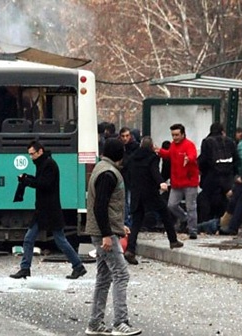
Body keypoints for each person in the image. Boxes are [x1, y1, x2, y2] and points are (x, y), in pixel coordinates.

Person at [84, 138, 141, 336]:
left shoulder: (100, 168)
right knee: (121, 274)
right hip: (103, 234)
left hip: (100, 231)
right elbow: (100, 206)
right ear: (120, 154)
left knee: (104, 277)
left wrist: (118, 226)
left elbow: (106, 207)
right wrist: (108, 234)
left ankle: (95, 322)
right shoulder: (109, 174)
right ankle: (120, 322)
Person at [10, 141, 87, 280]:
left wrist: (27, 181)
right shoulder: (45, 163)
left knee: (58, 240)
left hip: (49, 210)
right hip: (44, 210)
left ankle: (78, 266)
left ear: (40, 151)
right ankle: (25, 268)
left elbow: (44, 184)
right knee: (32, 239)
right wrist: (27, 178)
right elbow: (41, 181)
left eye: (32, 154)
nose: (31, 157)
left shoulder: (49, 165)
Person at [124, 136, 183, 265]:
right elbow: (154, 172)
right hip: (150, 192)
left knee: (136, 223)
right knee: (165, 214)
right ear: (151, 146)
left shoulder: (132, 158)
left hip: (136, 193)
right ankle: (173, 240)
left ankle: (130, 250)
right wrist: (161, 182)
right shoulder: (153, 157)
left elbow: (127, 173)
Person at [158, 123, 199, 239]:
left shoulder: (189, 145)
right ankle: (185, 218)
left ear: (183, 134)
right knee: (171, 205)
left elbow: (193, 155)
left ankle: (193, 231)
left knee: (191, 206)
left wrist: (188, 159)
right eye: (173, 135)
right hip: (177, 182)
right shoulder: (173, 145)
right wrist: (159, 151)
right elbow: (168, 154)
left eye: (176, 135)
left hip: (189, 181)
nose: (174, 137)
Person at [197, 122, 239, 232]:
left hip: (211, 179)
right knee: (224, 204)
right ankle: (222, 226)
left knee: (206, 203)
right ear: (222, 131)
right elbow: (236, 160)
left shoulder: (207, 142)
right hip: (227, 179)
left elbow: (203, 161)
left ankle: (206, 226)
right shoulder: (230, 141)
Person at [119, 126, 139, 229]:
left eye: (127, 136)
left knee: (129, 200)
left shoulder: (134, 147)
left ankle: (129, 222)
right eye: (123, 136)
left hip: (131, 177)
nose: (125, 138)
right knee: (125, 201)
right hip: (125, 176)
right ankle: (127, 222)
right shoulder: (122, 147)